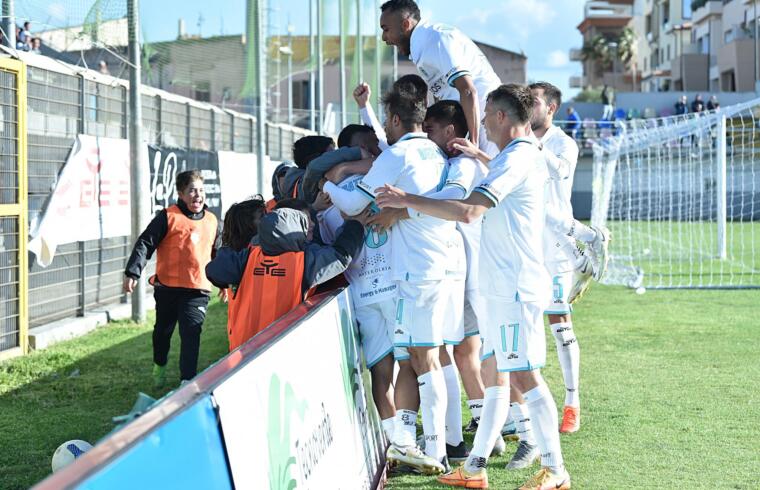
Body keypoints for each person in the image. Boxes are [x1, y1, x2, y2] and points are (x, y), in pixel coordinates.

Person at [376, 84, 571, 490]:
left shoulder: (517, 158)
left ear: (501, 116)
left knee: (525, 377)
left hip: (515, 287)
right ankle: (475, 466)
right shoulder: (513, 156)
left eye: (485, 115)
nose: (481, 122)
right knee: (500, 373)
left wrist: (405, 200)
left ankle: (555, 469)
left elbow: (467, 212)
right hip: (503, 286)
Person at [324, 88, 463, 475]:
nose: (384, 128)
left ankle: (436, 449)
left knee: (424, 359)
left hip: (416, 272)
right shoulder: (433, 153)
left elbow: (352, 206)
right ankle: (415, 444)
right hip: (436, 264)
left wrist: (330, 187)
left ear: (398, 120)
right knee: (413, 359)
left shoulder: (398, 155)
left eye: (387, 120)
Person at [206, 206, 365, 351]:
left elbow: (213, 272)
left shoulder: (247, 257)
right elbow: (340, 256)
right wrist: (354, 224)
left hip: (242, 353)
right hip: (281, 350)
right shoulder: (303, 262)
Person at [123, 170, 220, 386]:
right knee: (162, 334)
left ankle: (187, 381)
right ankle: (160, 365)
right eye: (192, 190)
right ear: (181, 193)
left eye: (201, 191)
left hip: (197, 290)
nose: (198, 195)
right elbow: (145, 243)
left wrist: (224, 282)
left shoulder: (213, 221)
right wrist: (133, 271)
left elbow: (219, 253)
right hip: (167, 288)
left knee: (191, 333)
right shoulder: (168, 217)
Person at [379, 0, 502, 155]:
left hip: (485, 118)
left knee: (489, 173)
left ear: (405, 25)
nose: (384, 37)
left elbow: (468, 90)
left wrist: (474, 143)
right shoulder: (423, 44)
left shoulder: (437, 39)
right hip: (473, 121)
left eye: (386, 29)